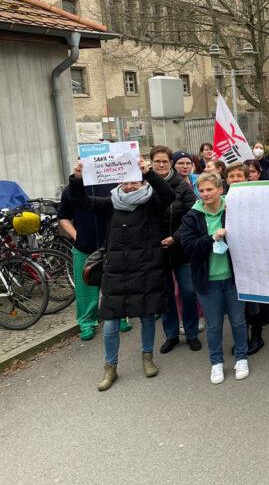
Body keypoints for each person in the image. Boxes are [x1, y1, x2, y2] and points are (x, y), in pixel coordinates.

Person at [69, 157, 174, 391]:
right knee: (110, 323)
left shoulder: (151, 203)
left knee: (147, 316)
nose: (129, 186)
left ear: (142, 183)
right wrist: (77, 178)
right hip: (116, 271)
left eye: (135, 182)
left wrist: (149, 173)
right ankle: (110, 367)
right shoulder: (110, 204)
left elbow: (168, 196)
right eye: (125, 183)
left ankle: (147, 357)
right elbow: (81, 202)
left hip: (145, 269)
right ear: (118, 183)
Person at [180, 172, 250, 384]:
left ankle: (241, 358)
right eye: (201, 190)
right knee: (213, 325)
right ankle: (216, 363)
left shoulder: (233, 210)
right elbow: (188, 246)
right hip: (207, 281)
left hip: (234, 279)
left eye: (209, 189)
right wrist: (211, 238)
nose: (205, 194)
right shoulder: (192, 216)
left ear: (221, 190)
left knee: (238, 321)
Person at [149, 146, 202, 355]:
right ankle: (171, 334)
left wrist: (175, 237)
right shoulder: (146, 185)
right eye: (157, 162)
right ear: (151, 163)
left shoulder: (181, 186)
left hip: (181, 248)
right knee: (166, 294)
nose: (161, 165)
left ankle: (191, 334)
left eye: (164, 161)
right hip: (157, 250)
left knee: (188, 292)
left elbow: (193, 214)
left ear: (170, 163)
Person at [58, 182, 120, 340]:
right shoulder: (71, 190)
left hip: (112, 244)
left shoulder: (113, 183)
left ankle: (121, 315)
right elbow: (63, 217)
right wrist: (76, 235)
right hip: (84, 247)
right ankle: (87, 322)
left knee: (117, 282)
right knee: (85, 286)